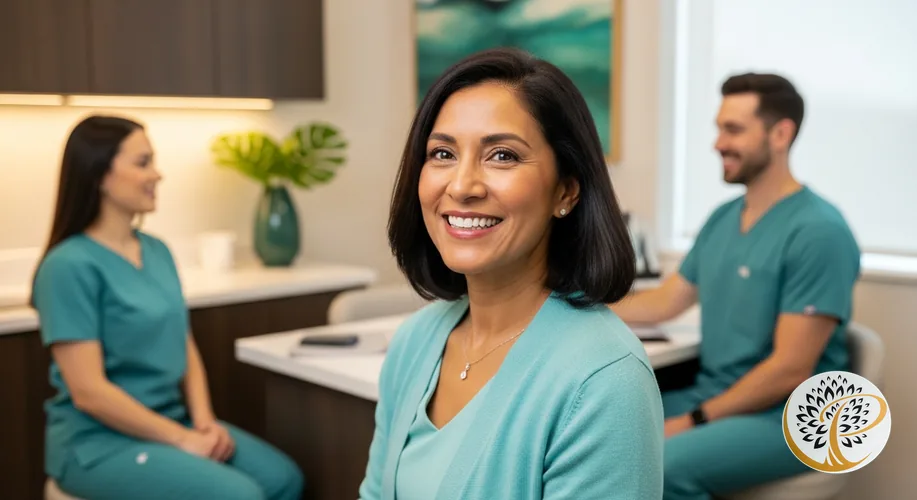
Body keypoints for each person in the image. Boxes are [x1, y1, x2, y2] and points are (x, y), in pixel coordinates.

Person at [358, 47, 664, 500]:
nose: (461, 186)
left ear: (566, 190)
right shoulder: (414, 343)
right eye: (442, 153)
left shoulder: (605, 383)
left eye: (501, 155)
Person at [612, 73, 861, 499]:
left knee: (661, 465)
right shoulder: (724, 218)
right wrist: (575, 307)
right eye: (718, 128)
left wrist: (692, 421)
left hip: (801, 415)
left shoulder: (819, 231)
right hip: (717, 394)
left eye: (733, 129)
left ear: (781, 134)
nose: (717, 143)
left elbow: (790, 369)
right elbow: (668, 300)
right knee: (600, 431)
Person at [31, 115, 304, 500]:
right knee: (240, 495)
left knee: (283, 479)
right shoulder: (67, 266)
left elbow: (182, 343)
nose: (157, 175)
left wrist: (205, 424)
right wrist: (182, 440)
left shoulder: (157, 251)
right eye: (143, 163)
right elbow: (88, 392)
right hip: (97, 443)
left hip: (171, 420)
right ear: (99, 174)